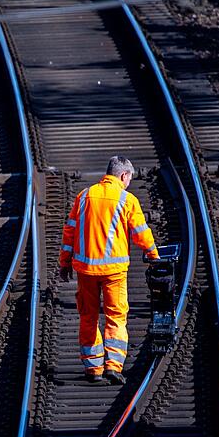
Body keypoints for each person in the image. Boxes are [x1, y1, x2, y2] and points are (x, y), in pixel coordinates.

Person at [59, 156, 159, 384]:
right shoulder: (127, 199)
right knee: (116, 316)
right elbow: (141, 233)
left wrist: (64, 263)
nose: (129, 183)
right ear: (123, 175)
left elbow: (69, 232)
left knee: (88, 316)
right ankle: (114, 366)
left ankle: (93, 368)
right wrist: (154, 256)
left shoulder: (84, 196)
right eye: (129, 178)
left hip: (85, 271)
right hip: (114, 272)